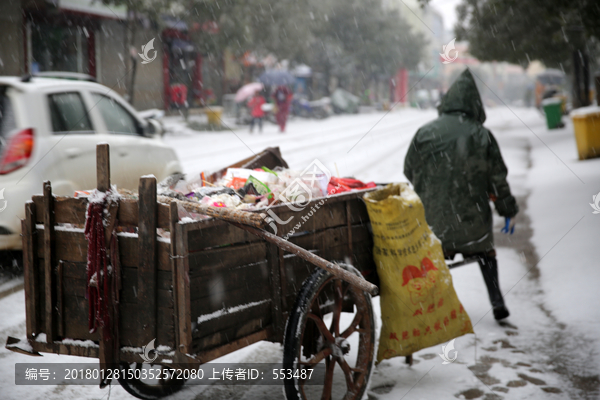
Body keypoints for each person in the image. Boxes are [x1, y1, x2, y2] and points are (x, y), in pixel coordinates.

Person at [404, 68, 518, 321]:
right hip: (473, 222)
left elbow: (409, 170)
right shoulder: (482, 135)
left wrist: (432, 190)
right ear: (475, 105)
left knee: (434, 257)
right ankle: (497, 300)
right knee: (486, 254)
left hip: (434, 223)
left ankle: (430, 307)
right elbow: (498, 179)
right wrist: (507, 210)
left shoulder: (425, 132)